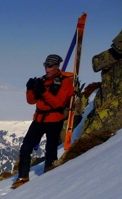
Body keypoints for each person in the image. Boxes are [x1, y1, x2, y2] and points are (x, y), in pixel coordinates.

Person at [12, 54, 75, 189]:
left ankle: (49, 175)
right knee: (26, 147)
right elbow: (31, 101)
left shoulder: (65, 82)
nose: (47, 68)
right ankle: (23, 177)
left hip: (54, 119)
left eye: (50, 66)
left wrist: (43, 91)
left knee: (51, 148)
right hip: (39, 119)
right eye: (45, 65)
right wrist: (30, 89)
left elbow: (58, 103)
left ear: (56, 66)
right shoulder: (42, 80)